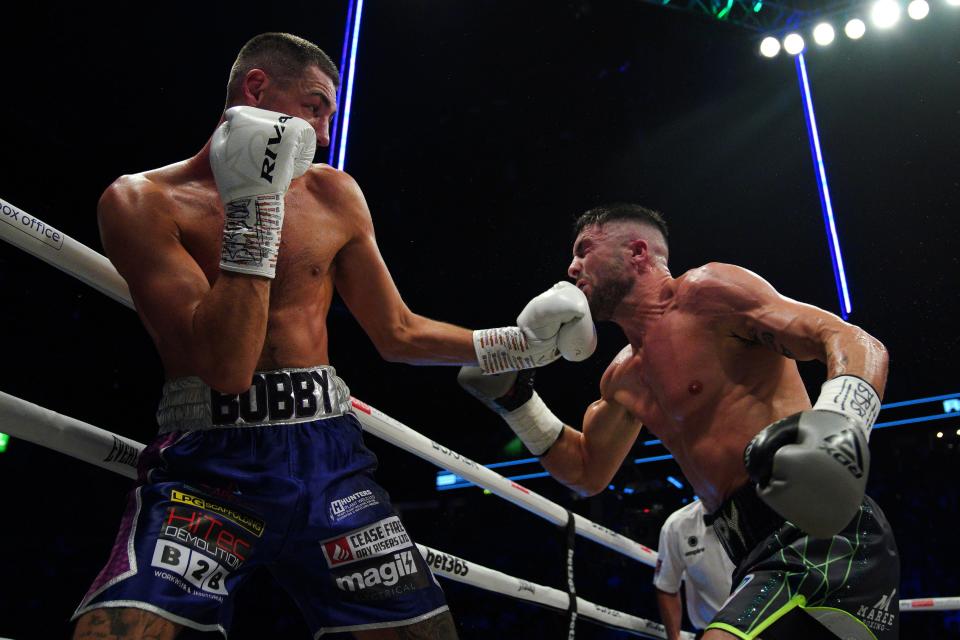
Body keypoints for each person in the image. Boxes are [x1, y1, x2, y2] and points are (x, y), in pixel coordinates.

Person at [71, 32, 595, 640]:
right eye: (315, 106)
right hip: (211, 462)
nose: (322, 134)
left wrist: (518, 345)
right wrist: (254, 205)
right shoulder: (141, 201)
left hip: (331, 463)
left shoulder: (334, 194)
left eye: (329, 117)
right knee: (121, 632)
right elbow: (227, 368)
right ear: (257, 88)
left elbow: (398, 332)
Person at [459, 203, 901, 639]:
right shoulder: (623, 380)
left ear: (637, 252)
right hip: (748, 550)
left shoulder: (709, 294)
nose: (571, 268)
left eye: (583, 250)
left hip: (817, 527)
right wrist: (518, 402)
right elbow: (586, 471)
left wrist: (839, 429)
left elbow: (850, 340)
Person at [654, 500, 735, 640]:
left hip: (767, 626)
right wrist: (674, 638)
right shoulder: (676, 525)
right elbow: (666, 585)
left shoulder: (761, 507)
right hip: (712, 632)